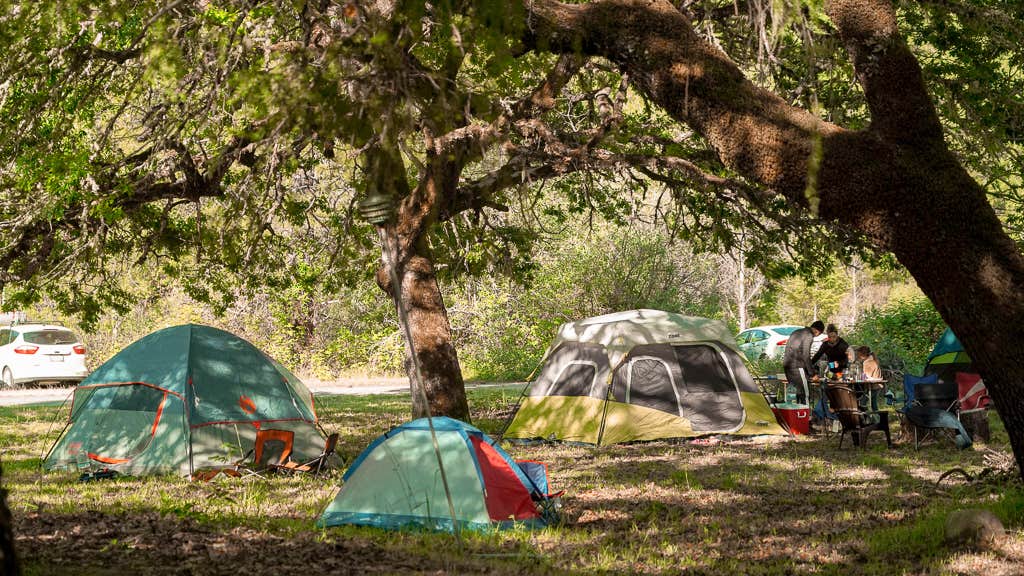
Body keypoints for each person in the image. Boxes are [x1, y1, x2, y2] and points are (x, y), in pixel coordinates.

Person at [782, 320, 825, 404]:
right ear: (817, 331)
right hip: (797, 367)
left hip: (787, 365)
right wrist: (812, 373)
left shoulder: (796, 332)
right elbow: (806, 355)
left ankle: (794, 415)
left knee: (793, 393)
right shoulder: (809, 335)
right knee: (805, 394)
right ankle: (805, 415)